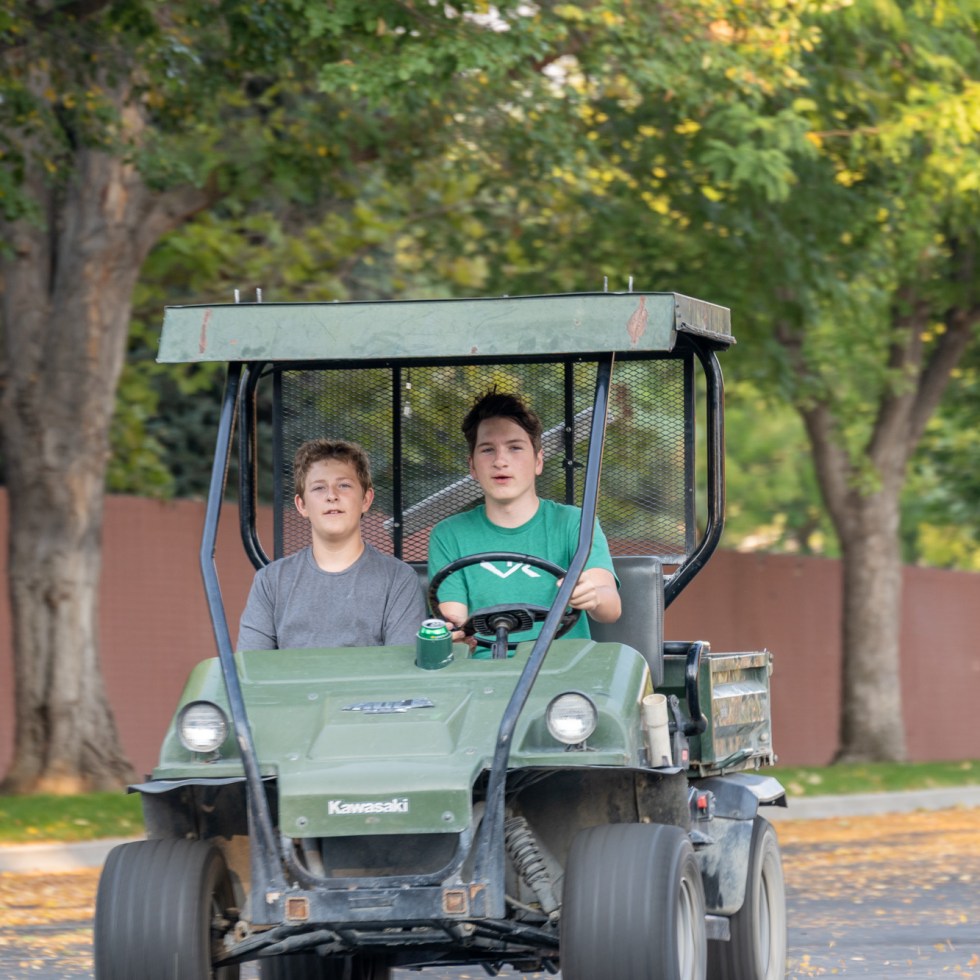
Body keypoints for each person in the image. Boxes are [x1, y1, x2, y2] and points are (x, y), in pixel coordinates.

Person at [427, 389, 621, 646]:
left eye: (515, 448)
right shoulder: (448, 534)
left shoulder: (576, 523)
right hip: (483, 665)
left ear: (538, 461)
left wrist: (592, 595)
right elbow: (454, 618)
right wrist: (454, 633)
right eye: (487, 450)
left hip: (564, 664)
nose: (500, 461)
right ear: (472, 466)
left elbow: (610, 607)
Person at [237, 439, 426, 651]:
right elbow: (251, 664)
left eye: (344, 485)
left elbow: (400, 665)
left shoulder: (398, 579)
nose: (332, 496)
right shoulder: (270, 581)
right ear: (302, 505)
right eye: (319, 488)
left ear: (366, 499)